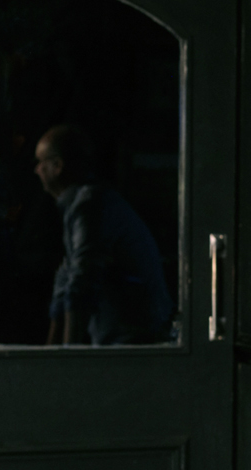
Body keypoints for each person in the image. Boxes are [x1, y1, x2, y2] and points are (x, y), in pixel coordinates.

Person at [34, 125, 173, 345]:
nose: (37, 170)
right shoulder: (83, 205)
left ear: (58, 166)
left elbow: (82, 282)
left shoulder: (90, 206)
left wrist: (65, 360)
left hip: (132, 341)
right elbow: (66, 283)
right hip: (123, 339)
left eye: (41, 162)